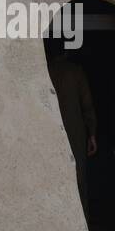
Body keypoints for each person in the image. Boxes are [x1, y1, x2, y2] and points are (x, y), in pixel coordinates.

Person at [45, 38, 98, 220]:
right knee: (78, 179)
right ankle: (81, 222)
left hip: (49, 133)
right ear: (66, 51)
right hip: (75, 132)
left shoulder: (45, 72)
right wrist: (92, 134)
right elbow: (87, 105)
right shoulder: (75, 72)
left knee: (52, 178)